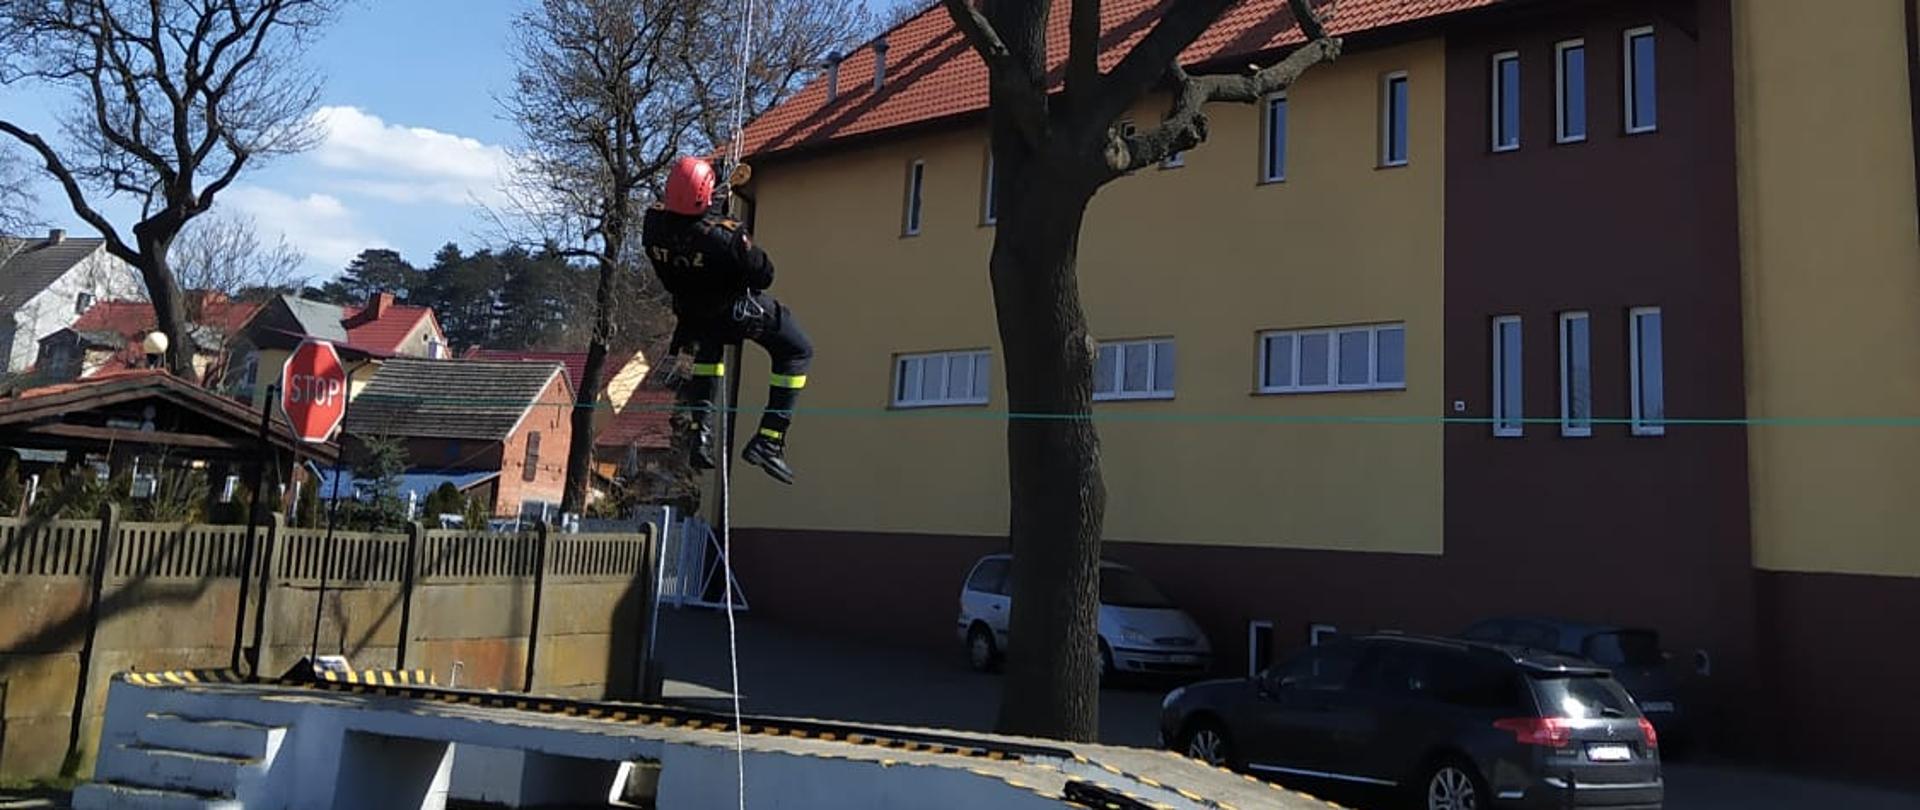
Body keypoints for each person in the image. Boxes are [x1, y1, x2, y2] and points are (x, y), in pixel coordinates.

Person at [642, 156, 812, 485]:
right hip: (735, 313)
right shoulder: (726, 236)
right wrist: (729, 225)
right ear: (705, 196)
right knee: (797, 350)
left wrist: (713, 191)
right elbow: (764, 275)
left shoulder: (653, 225)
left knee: (709, 350)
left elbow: (686, 229)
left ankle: (700, 431)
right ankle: (770, 438)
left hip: (692, 315)